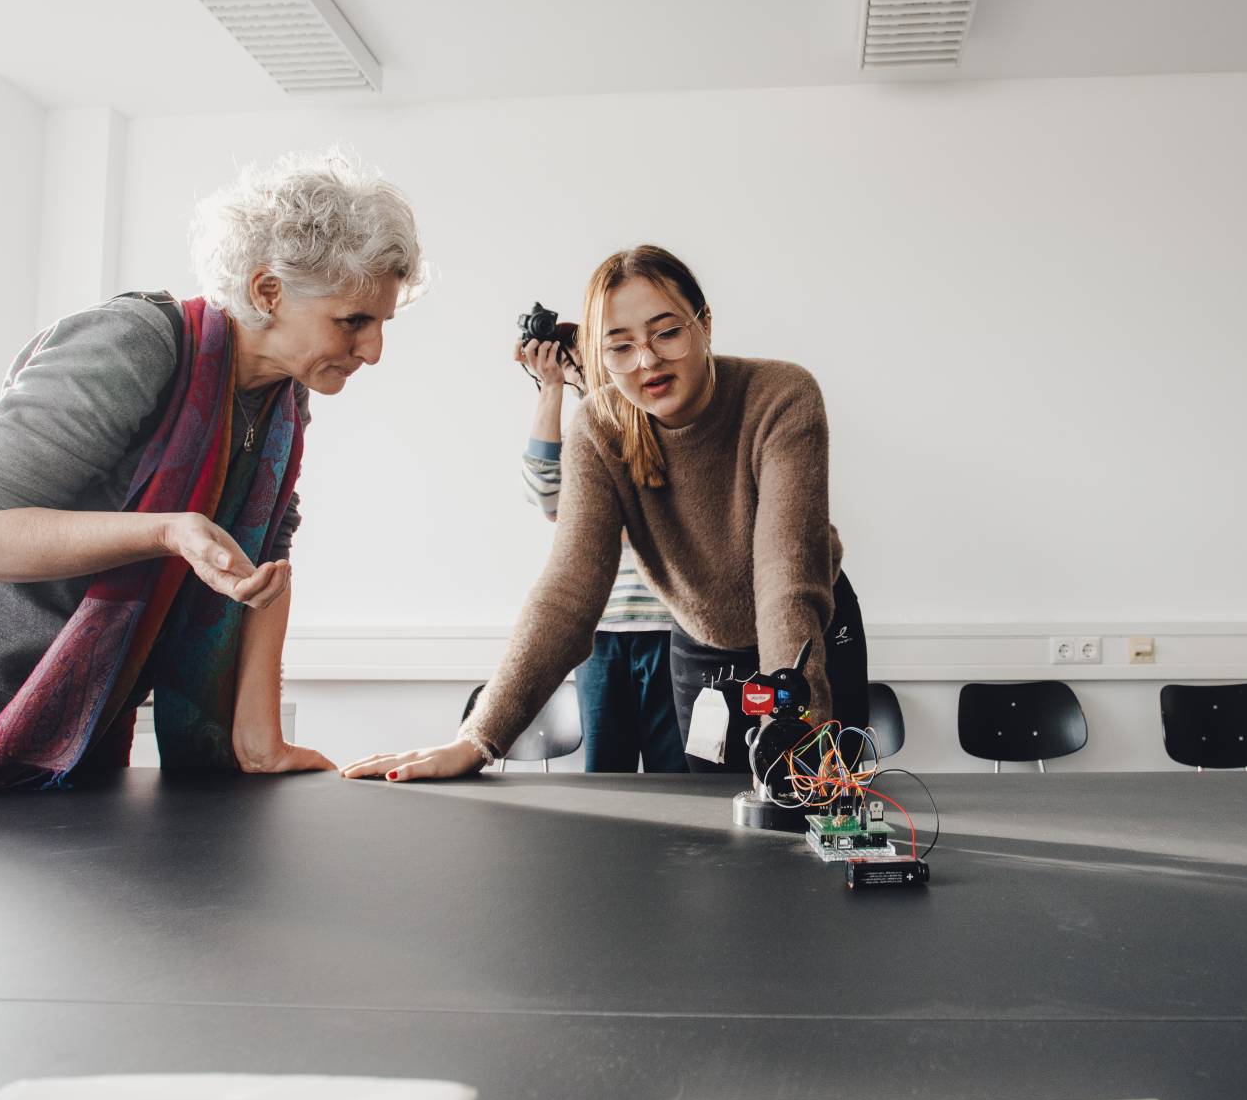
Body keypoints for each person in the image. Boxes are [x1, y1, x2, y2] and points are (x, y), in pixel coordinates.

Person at [0, 150, 425, 818]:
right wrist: (164, 532)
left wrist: (259, 742)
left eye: (381, 323)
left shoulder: (283, 402)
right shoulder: (137, 342)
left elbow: (267, 564)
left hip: (75, 720)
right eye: (353, 321)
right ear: (268, 291)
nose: (373, 349)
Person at [344, 244, 866, 783]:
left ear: (704, 324)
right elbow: (569, 592)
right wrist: (478, 739)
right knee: (716, 830)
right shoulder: (599, 428)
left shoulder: (781, 396)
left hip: (809, 633)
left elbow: (786, 573)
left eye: (666, 333)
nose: (647, 362)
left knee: (818, 809)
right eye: (620, 347)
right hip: (702, 645)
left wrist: (797, 719)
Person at [517, 337, 688, 773]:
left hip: (672, 628)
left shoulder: (669, 414)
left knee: (676, 780)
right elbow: (547, 496)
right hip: (601, 631)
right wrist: (552, 387)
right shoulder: (586, 431)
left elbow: (659, 511)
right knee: (606, 778)